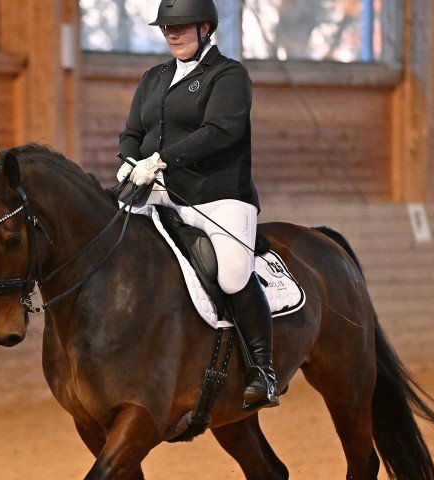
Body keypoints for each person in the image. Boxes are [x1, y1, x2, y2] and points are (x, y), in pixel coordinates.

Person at [117, 0, 279, 410]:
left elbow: (220, 131)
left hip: (219, 194)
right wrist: (129, 161)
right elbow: (132, 131)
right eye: (167, 28)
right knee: (115, 245)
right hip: (158, 191)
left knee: (231, 275)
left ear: (206, 28)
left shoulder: (229, 75)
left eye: (182, 27)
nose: (172, 34)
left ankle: (263, 369)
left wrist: (162, 160)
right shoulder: (153, 78)